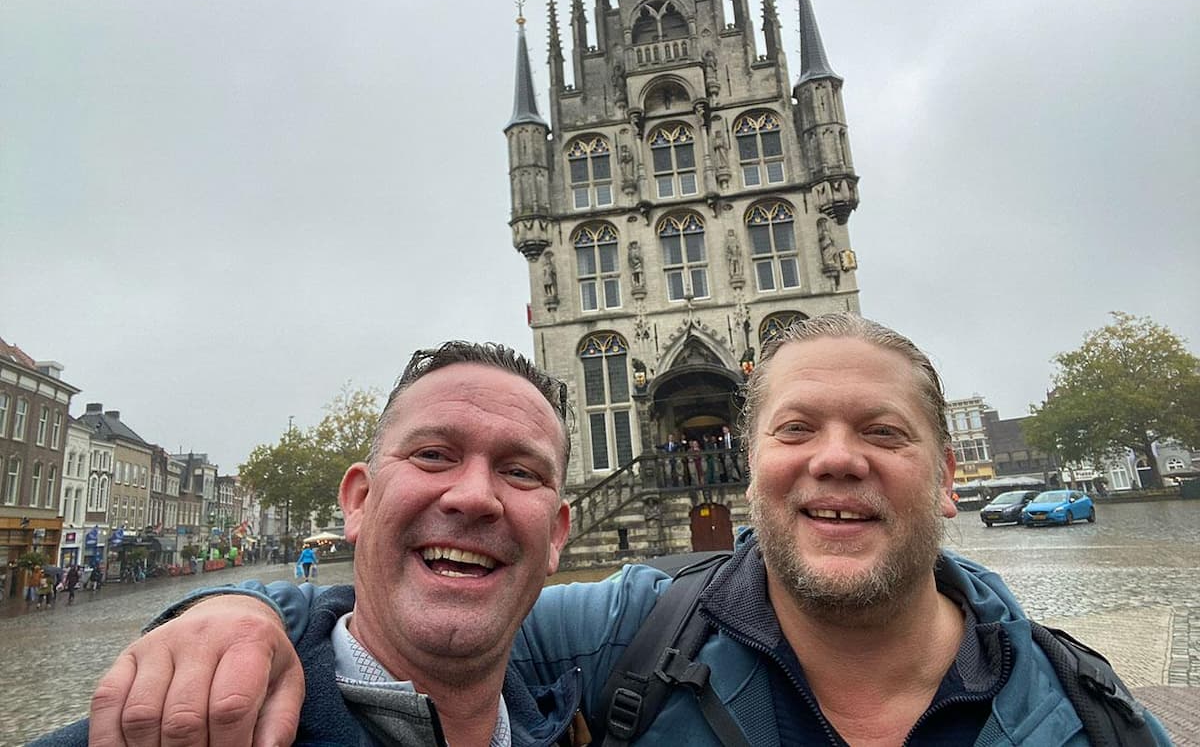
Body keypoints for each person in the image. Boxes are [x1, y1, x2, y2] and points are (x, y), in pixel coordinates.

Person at [61, 317, 1171, 747]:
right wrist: (241, 609)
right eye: (796, 428)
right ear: (750, 460)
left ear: (944, 477)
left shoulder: (1090, 719)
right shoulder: (637, 633)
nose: (837, 459)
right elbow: (436, 626)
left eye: (882, 431)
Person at [38, 340, 575, 747]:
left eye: (522, 472)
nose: (475, 496)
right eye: (433, 455)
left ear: (555, 534)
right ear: (359, 501)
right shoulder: (174, 726)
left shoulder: (582, 708)